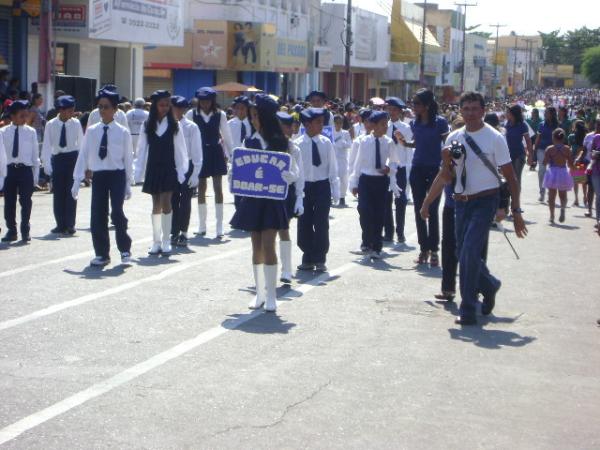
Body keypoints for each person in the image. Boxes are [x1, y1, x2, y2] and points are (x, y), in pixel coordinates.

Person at [421, 92, 527, 326]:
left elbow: (510, 177)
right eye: (465, 109)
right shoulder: (453, 138)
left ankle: (467, 307)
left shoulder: (495, 138)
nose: (470, 113)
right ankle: (489, 285)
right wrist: (428, 201)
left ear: (483, 110)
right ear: (460, 111)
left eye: (474, 109)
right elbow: (444, 175)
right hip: (460, 202)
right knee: (462, 252)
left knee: (468, 250)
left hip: (485, 200)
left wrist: (516, 212)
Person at [230, 94, 300, 312]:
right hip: (252, 199)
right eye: (251, 116)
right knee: (256, 245)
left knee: (269, 244)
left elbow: (295, 170)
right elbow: (238, 165)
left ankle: (271, 295)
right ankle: (260, 294)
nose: (253, 120)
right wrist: (233, 174)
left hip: (272, 200)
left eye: (256, 115)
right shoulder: (248, 142)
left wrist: (290, 176)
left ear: (267, 116)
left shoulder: (283, 142)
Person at [72, 89, 134, 266]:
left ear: (115, 109)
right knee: (98, 214)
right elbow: (84, 154)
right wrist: (77, 179)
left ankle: (124, 250)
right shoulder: (92, 130)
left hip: (116, 174)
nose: (102, 110)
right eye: (100, 107)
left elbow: (128, 158)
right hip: (99, 175)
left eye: (106, 107)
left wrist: (128, 182)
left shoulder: (122, 131)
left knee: (117, 212)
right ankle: (102, 253)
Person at [397, 89, 449, 267]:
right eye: (413, 103)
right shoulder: (415, 123)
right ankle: (423, 249)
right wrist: (404, 143)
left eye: (417, 103)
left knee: (432, 210)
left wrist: (447, 166)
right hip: (417, 169)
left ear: (427, 105)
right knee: (419, 209)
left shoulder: (440, 123)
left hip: (435, 169)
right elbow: (417, 143)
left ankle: (434, 250)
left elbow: (448, 144)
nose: (413, 106)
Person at [134, 90, 189, 255]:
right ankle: (156, 241)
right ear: (155, 106)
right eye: (161, 105)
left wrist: (181, 171)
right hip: (153, 168)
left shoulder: (174, 124)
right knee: (155, 204)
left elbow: (181, 151)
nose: (165, 108)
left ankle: (166, 240)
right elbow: (141, 150)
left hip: (168, 168)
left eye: (167, 105)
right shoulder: (147, 124)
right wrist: (137, 172)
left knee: (166, 202)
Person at [349, 111, 400, 258]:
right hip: (366, 180)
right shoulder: (364, 141)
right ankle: (366, 243)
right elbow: (358, 163)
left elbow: (395, 161)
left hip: (380, 181)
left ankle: (376, 247)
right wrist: (354, 183)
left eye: (386, 124)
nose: (385, 127)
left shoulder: (388, 142)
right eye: (383, 124)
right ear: (374, 126)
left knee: (379, 214)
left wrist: (389, 169)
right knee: (364, 210)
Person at [295, 107, 340, 272]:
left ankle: (320, 258)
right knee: (304, 222)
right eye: (318, 122)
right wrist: (296, 194)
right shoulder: (297, 145)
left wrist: (335, 189)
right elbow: (295, 171)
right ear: (307, 124)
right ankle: (307, 256)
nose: (322, 125)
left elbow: (332, 167)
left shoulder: (326, 142)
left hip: (322, 186)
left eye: (322, 122)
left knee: (321, 223)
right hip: (305, 187)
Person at [186, 87, 234, 238]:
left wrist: (232, 154)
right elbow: (187, 135)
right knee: (201, 188)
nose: (205, 104)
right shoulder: (191, 114)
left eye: (207, 101)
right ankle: (202, 225)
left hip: (215, 151)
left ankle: (219, 226)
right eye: (202, 101)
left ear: (212, 101)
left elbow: (227, 136)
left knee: (218, 187)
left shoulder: (221, 115)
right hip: (199, 153)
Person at [41, 95, 84, 235]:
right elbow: (47, 145)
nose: (71, 113)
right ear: (61, 110)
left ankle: (70, 224)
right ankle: (60, 224)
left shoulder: (76, 123)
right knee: (58, 192)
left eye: (73, 110)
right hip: (58, 158)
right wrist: (46, 163)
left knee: (71, 192)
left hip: (72, 158)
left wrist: (82, 164)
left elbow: (81, 144)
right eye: (69, 110)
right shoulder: (51, 124)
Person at [1, 100, 40, 243]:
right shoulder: (3, 132)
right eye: (21, 116)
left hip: (25, 170)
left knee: (26, 201)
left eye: (26, 115)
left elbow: (35, 154)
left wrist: (35, 175)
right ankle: (12, 230)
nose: (24, 118)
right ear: (12, 116)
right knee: (9, 202)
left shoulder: (31, 132)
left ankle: (25, 229)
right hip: (9, 170)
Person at [276, 111, 305, 283]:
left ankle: (286, 269)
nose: (284, 130)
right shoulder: (266, 145)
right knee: (266, 233)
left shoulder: (294, 148)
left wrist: (300, 197)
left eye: (287, 127)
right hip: (267, 193)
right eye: (281, 126)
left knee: (283, 229)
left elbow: (299, 174)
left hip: (286, 194)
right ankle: (268, 267)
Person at [170, 95, 202, 247]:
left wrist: (196, 172)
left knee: (186, 200)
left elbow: (197, 151)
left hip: (188, 165)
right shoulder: (167, 124)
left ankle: (183, 232)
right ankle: (173, 231)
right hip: (172, 165)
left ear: (183, 110)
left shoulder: (191, 127)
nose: (175, 110)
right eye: (173, 107)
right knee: (172, 200)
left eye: (178, 108)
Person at [385, 97, 412, 243]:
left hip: (400, 167)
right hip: (387, 168)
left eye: (395, 110)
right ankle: (388, 232)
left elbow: (408, 150)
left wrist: (408, 168)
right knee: (385, 201)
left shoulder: (406, 128)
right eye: (390, 109)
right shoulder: (383, 126)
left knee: (400, 201)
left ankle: (400, 232)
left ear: (400, 112)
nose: (392, 112)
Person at [543, 129, 574, 224]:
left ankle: (552, 216)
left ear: (553, 137)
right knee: (563, 195)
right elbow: (570, 163)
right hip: (563, 172)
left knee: (551, 196)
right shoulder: (567, 149)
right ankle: (563, 209)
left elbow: (545, 162)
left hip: (552, 172)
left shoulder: (549, 149)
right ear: (563, 138)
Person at [228, 95, 252, 212]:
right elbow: (227, 143)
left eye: (243, 108)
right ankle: (238, 213)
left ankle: (247, 212)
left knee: (249, 187)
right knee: (237, 186)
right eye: (237, 108)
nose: (240, 111)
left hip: (251, 159)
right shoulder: (230, 124)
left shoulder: (253, 123)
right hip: (235, 159)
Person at [504, 104, 533, 186]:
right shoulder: (507, 124)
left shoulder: (522, 125)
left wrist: (530, 155)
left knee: (516, 177)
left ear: (513, 114)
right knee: (509, 178)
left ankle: (516, 198)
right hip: (508, 155)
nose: (506, 114)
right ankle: (512, 196)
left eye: (508, 112)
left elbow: (528, 141)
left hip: (519, 155)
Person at [535, 106, 558, 202]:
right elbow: (538, 138)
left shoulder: (557, 125)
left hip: (553, 151)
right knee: (542, 171)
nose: (545, 114)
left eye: (547, 112)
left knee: (552, 172)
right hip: (542, 150)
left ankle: (550, 193)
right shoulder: (541, 124)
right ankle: (542, 193)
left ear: (552, 114)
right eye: (545, 112)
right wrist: (534, 150)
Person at [332, 115, 352, 206]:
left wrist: (344, 144)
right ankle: (332, 196)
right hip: (332, 159)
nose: (339, 124)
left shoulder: (345, 133)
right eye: (337, 123)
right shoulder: (330, 133)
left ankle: (342, 197)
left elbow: (350, 144)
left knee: (343, 179)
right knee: (332, 178)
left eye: (340, 123)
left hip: (342, 159)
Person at [568, 120, 588, 206]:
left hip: (573, 160)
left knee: (575, 180)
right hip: (582, 160)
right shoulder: (586, 137)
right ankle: (585, 196)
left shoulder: (571, 136)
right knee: (583, 181)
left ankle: (576, 199)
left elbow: (569, 147)